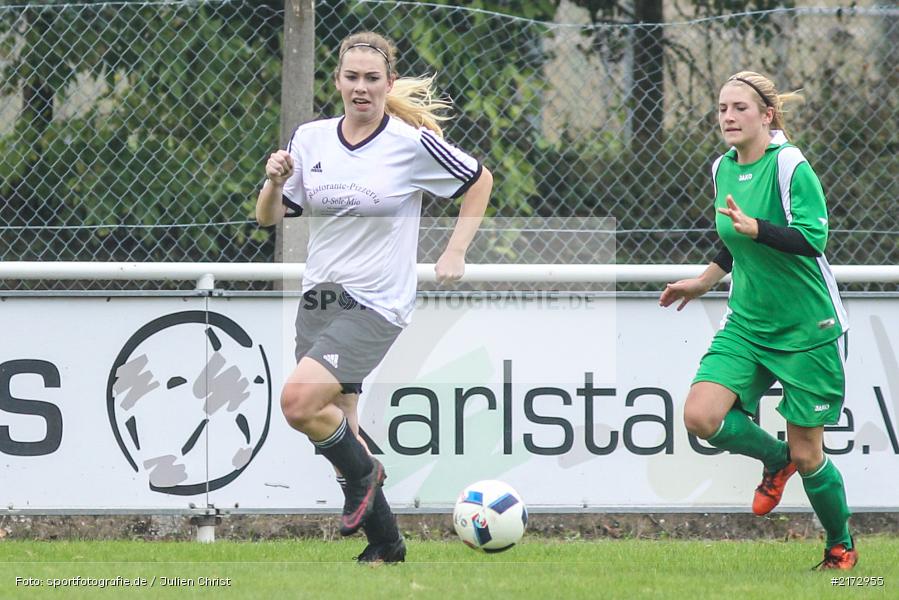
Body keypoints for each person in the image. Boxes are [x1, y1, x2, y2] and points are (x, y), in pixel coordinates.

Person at [256, 31, 493, 563]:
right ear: (337, 80)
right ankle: (386, 544)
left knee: (298, 403)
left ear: (388, 84)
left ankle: (368, 471)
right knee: (340, 425)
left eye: (371, 79)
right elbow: (270, 217)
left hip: (376, 302)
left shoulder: (409, 143)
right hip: (320, 297)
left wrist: (455, 251)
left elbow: (480, 180)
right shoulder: (310, 138)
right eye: (351, 77)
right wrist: (272, 183)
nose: (360, 88)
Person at [660, 71, 857, 570]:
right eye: (722, 108)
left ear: (767, 115)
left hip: (807, 330)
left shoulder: (790, 164)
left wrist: (760, 228)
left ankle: (840, 547)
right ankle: (775, 459)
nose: (728, 117)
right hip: (748, 322)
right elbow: (735, 240)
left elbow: (813, 239)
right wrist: (703, 281)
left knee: (809, 453)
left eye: (739, 108)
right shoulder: (721, 167)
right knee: (701, 416)